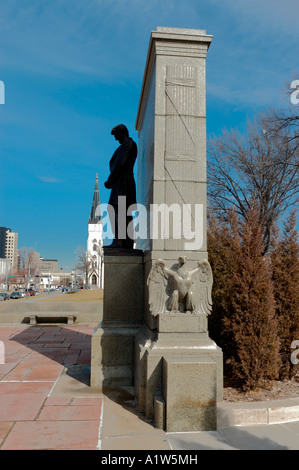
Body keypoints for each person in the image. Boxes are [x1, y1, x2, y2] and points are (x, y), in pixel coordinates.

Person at [104, 124, 137, 249]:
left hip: (124, 183)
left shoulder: (130, 145)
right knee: (119, 211)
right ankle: (121, 240)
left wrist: (110, 180)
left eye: (116, 135)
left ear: (122, 133)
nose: (115, 139)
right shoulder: (122, 147)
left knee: (117, 210)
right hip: (119, 183)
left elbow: (120, 164)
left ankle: (122, 241)